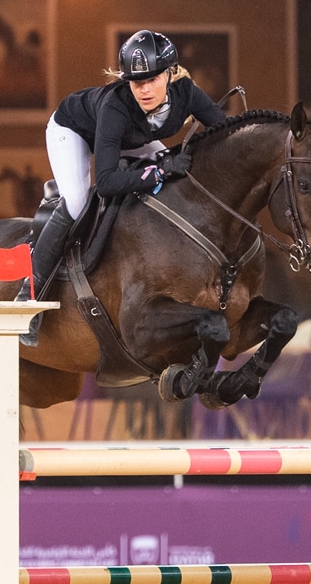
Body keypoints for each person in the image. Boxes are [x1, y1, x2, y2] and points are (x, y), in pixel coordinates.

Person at [16, 29, 227, 346]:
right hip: (73, 132)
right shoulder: (115, 107)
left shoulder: (188, 93)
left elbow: (224, 132)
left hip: (127, 140)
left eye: (152, 80)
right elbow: (108, 182)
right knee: (76, 202)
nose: (144, 90)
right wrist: (157, 172)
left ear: (169, 74)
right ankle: (27, 299)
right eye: (136, 82)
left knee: (169, 165)